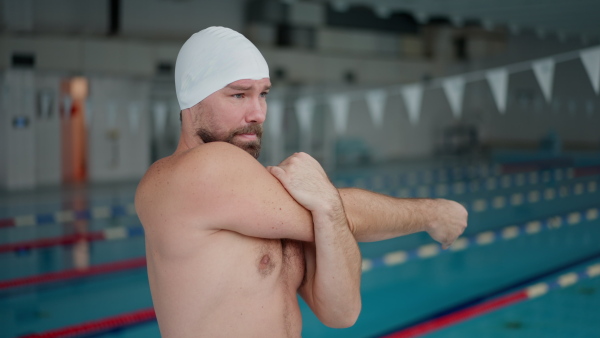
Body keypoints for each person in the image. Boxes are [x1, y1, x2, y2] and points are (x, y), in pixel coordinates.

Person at [135, 26, 467, 338]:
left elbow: (342, 313)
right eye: (238, 95)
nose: (258, 113)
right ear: (192, 101)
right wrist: (432, 213)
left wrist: (328, 205)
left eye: (262, 94)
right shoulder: (196, 170)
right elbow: (350, 215)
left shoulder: (254, 195)